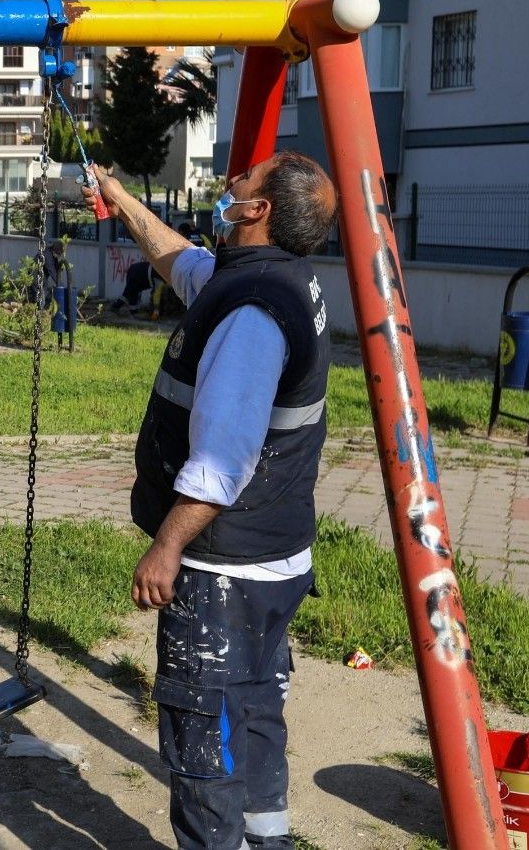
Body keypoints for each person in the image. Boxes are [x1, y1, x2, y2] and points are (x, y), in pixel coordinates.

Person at [82, 151, 338, 850]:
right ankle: (265, 841)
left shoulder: (252, 315)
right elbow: (181, 261)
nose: (233, 180)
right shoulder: (271, 278)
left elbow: (223, 459)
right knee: (253, 717)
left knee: (204, 743)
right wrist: (118, 196)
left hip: (225, 571)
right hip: (275, 558)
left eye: (247, 178)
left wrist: (167, 545)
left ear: (259, 211)